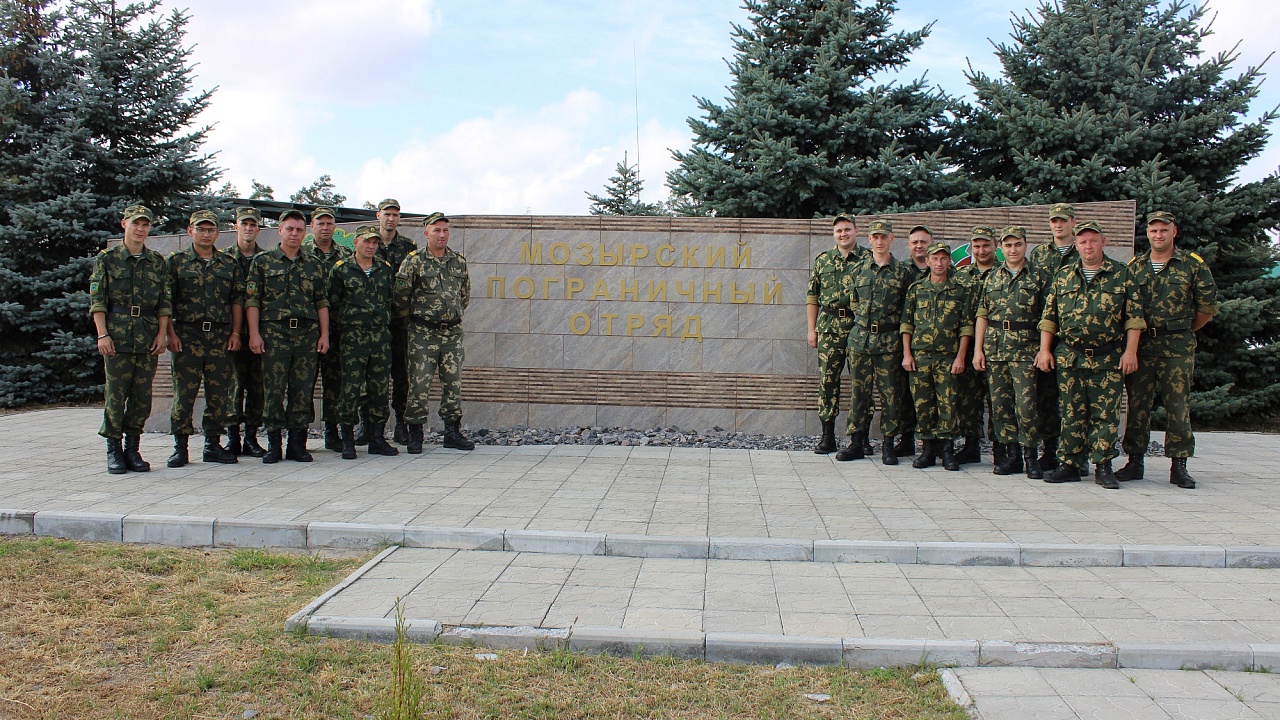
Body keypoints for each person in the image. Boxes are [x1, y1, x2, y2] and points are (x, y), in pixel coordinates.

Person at [1035, 221, 1145, 489]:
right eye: (1083, 242)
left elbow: (1134, 318)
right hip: (1070, 357)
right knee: (1071, 412)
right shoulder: (1064, 277)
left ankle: (1104, 466)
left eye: (1093, 240)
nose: (1088, 246)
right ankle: (1070, 464)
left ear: (1103, 242)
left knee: (1105, 415)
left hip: (1107, 358)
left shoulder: (1121, 275)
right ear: (1077, 245)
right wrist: (1044, 350)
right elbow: (1049, 318)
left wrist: (1130, 352)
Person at [1116, 211, 1218, 489]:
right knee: (1138, 404)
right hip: (1142, 346)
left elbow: (1206, 308)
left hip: (1177, 347)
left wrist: (1181, 329)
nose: (1158, 235)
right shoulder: (1136, 267)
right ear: (1147, 234)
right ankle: (1135, 462)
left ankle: (1179, 466)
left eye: (1163, 230)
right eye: (1153, 231)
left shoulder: (1191, 265)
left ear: (1174, 231)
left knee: (1177, 406)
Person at [89, 204, 171, 474]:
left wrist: (162, 334)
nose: (140, 228)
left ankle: (133, 448)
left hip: (147, 336)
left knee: (141, 396)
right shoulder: (108, 258)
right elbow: (98, 300)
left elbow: (163, 303)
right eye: (136, 223)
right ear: (124, 224)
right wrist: (102, 334)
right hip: (117, 336)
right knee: (116, 394)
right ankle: (113, 449)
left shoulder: (157, 261)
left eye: (145, 224)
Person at [245, 209, 330, 463]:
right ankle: (273, 444)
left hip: (306, 334)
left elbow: (321, 302)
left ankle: (297, 444)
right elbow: (252, 300)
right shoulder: (263, 261)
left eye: (299, 230)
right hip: (274, 334)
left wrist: (324, 334)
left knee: (302, 391)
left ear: (305, 233)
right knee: (272, 390)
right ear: (279, 230)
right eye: (290, 229)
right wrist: (254, 334)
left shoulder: (314, 263)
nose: (294, 234)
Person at [164, 210, 243, 467]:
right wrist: (170, 334)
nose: (206, 234)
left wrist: (235, 333)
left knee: (219, 394)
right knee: (184, 394)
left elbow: (236, 301)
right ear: (190, 231)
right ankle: (180, 448)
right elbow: (166, 302)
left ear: (217, 233)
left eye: (210, 230)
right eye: (201, 229)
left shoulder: (229, 264)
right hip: (187, 335)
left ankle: (212, 445)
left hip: (220, 336)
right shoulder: (176, 262)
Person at [394, 212, 474, 454]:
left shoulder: (458, 261)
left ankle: (452, 432)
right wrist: (419, 318)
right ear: (426, 232)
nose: (442, 235)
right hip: (422, 332)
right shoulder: (414, 260)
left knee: (453, 383)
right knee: (419, 383)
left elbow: (465, 294)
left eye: (445, 230)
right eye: (436, 230)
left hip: (451, 332)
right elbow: (400, 297)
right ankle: (415, 432)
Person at [973, 226, 1049, 479]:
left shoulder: (1039, 276)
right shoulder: (993, 277)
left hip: (1026, 349)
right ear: (1001, 248)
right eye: (1007, 245)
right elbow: (982, 314)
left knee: (1026, 406)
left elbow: (1049, 316)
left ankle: (1031, 456)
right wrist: (978, 350)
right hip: (995, 350)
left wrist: (1044, 349)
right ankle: (1012, 457)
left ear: (1025, 245)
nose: (1012, 250)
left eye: (1017, 244)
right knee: (1001, 406)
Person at [838, 219, 916, 463]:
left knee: (891, 395)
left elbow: (907, 310)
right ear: (869, 239)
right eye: (875, 237)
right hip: (860, 340)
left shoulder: (903, 272)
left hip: (889, 342)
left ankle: (889, 444)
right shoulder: (859, 269)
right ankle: (857, 442)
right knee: (859, 394)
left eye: (884, 237)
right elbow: (852, 302)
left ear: (892, 238)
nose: (880, 241)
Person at [328, 226, 400, 459]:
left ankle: (377, 438)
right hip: (353, 339)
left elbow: (390, 300)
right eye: (366, 241)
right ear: (356, 242)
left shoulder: (384, 270)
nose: (371, 246)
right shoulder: (341, 270)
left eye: (374, 243)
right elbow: (333, 303)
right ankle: (348, 439)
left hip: (379, 339)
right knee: (351, 389)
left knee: (379, 389)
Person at [901, 241, 972, 471]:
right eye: (935, 258)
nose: (939, 262)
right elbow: (906, 325)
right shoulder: (916, 290)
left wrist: (961, 357)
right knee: (923, 405)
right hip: (920, 357)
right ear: (928, 261)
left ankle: (947, 451)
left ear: (949, 261)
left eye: (943, 258)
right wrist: (907, 355)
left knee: (948, 405)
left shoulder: (959, 291)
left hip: (948, 358)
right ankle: (927, 451)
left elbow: (965, 328)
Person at [1029, 203, 1083, 474]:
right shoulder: (1039, 254)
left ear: (1073, 222)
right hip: (1047, 336)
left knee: (1077, 400)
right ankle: (1050, 451)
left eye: (1063, 220)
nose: (1058, 225)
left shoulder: (1084, 251)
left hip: (1077, 336)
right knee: (1047, 398)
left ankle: (1079, 456)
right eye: (1054, 221)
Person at [805, 213, 866, 454]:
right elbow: (812, 296)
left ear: (856, 231)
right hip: (829, 327)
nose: (843, 234)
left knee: (861, 383)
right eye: (839, 230)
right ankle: (827, 436)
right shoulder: (823, 261)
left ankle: (859, 438)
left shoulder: (867, 259)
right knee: (827, 382)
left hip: (857, 327)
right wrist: (812, 329)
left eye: (847, 229)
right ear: (834, 234)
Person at [302, 206, 352, 451]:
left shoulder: (345, 255)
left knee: (335, 383)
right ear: (312, 226)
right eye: (320, 223)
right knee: (304, 383)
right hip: (306, 331)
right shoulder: (301, 254)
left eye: (329, 224)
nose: (325, 228)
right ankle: (301, 431)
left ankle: (333, 432)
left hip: (338, 330)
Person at [373, 198, 417, 446]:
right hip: (373, 323)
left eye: (395, 215)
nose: (391, 219)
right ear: (378, 215)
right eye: (387, 214)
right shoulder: (367, 245)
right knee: (373, 376)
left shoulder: (409, 249)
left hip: (399, 323)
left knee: (401, 376)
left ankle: (401, 424)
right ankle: (370, 426)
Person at [224, 206, 268, 457]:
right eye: (244, 224)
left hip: (260, 333)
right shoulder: (224, 258)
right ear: (236, 226)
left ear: (259, 229)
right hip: (231, 333)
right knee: (233, 386)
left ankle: (251, 437)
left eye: (253, 225)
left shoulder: (266, 259)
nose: (249, 228)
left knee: (256, 386)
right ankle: (232, 438)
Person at [953, 227, 998, 465]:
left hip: (998, 347)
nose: (981, 251)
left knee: (997, 400)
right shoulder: (961, 276)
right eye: (977, 246)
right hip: (967, 346)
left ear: (995, 246)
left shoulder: (1004, 274)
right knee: (968, 398)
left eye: (986, 245)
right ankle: (971, 445)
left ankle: (1001, 449)